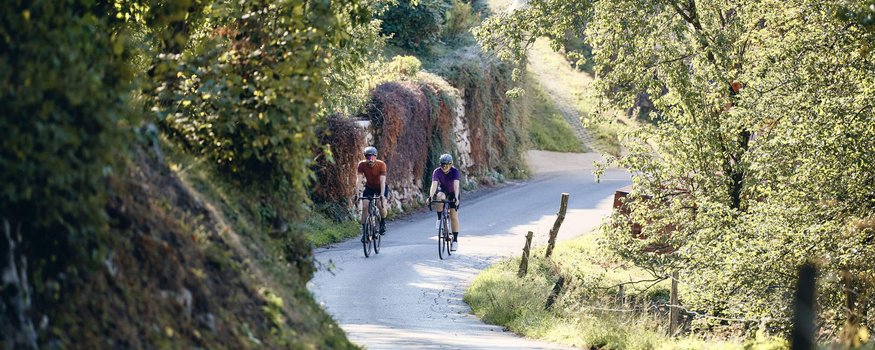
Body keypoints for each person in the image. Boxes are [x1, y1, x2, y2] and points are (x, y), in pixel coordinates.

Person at [428, 153, 461, 251]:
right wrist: (430, 196)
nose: (444, 167)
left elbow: (456, 185)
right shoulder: (437, 171)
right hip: (443, 190)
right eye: (442, 164)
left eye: (446, 165)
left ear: (451, 165)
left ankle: (455, 240)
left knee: (454, 216)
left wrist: (456, 197)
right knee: (439, 196)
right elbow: (434, 185)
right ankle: (439, 218)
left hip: (453, 192)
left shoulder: (455, 172)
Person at [356, 146, 389, 235]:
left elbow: (382, 181)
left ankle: (382, 221)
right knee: (365, 206)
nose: (370, 159)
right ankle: (365, 232)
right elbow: (359, 180)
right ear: (365, 157)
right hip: (369, 187)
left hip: (380, 187)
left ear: (376, 157)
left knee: (380, 205)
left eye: (372, 157)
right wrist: (357, 194)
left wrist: (382, 195)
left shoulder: (381, 164)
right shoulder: (362, 165)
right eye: (367, 157)